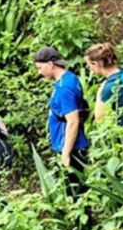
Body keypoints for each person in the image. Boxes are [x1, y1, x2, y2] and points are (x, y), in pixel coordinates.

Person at [34, 46, 90, 188]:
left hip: (72, 147)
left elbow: (73, 122)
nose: (39, 72)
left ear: (50, 64)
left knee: (74, 190)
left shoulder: (64, 88)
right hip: (68, 144)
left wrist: (66, 154)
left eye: (40, 68)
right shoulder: (69, 78)